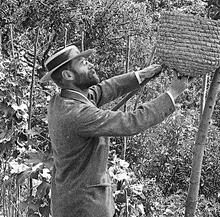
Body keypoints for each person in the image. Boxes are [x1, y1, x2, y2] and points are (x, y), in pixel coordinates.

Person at [40, 45, 188, 217]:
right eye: (83, 63)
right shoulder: (77, 115)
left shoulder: (61, 100)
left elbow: (102, 90)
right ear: (68, 75)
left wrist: (140, 75)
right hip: (85, 207)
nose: (91, 65)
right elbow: (130, 122)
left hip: (69, 200)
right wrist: (172, 93)